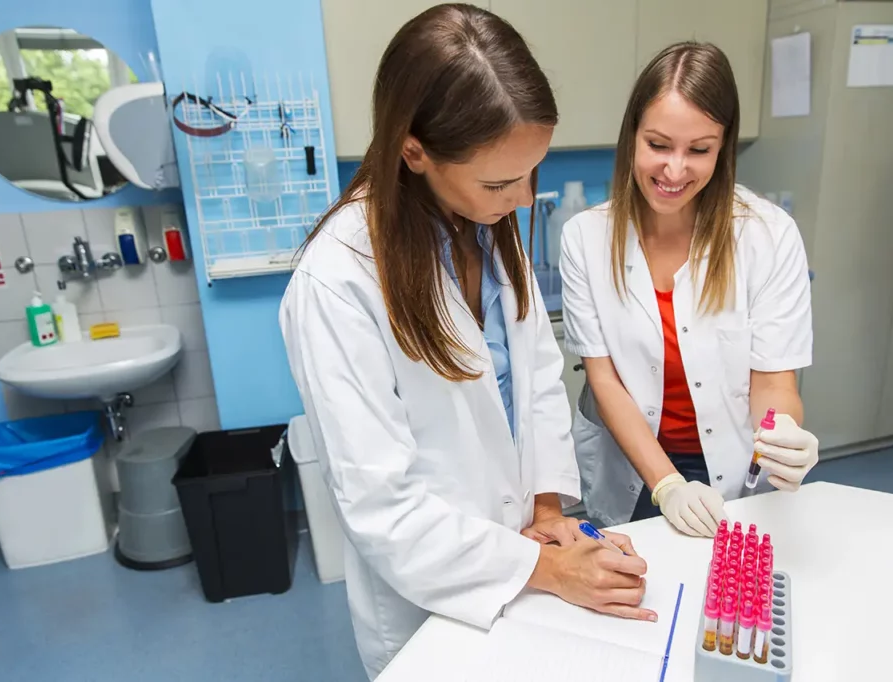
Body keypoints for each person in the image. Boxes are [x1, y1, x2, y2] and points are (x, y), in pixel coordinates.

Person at [279, 5, 652, 679]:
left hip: (526, 554)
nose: (522, 199)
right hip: (433, 597)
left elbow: (536, 376)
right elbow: (382, 506)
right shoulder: (337, 281)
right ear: (414, 150)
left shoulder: (486, 226)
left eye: (532, 172)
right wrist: (543, 565)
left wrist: (546, 510)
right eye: (500, 182)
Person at [560, 42, 820, 537]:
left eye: (698, 150)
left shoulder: (768, 234)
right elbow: (605, 381)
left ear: (722, 147)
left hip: (733, 461)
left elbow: (773, 383)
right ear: (632, 136)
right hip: (633, 467)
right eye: (658, 145)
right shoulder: (587, 239)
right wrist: (667, 485)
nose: (675, 171)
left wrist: (783, 434)